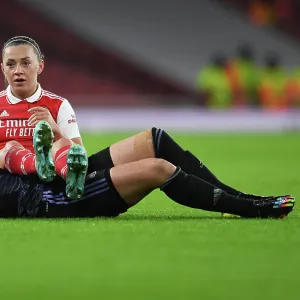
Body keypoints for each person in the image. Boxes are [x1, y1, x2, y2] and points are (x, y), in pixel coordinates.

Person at [0, 124, 294, 219]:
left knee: (153, 139)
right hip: (51, 199)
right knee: (158, 170)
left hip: (51, 178)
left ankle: (242, 195)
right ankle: (247, 207)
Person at [0, 36, 87, 195]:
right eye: (10, 64)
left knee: (63, 143)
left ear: (40, 66)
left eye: (26, 63)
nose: (18, 70)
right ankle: (37, 164)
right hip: (7, 178)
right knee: (10, 146)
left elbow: (79, 153)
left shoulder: (59, 104)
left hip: (52, 174)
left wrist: (56, 131)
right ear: (3, 69)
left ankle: (71, 179)